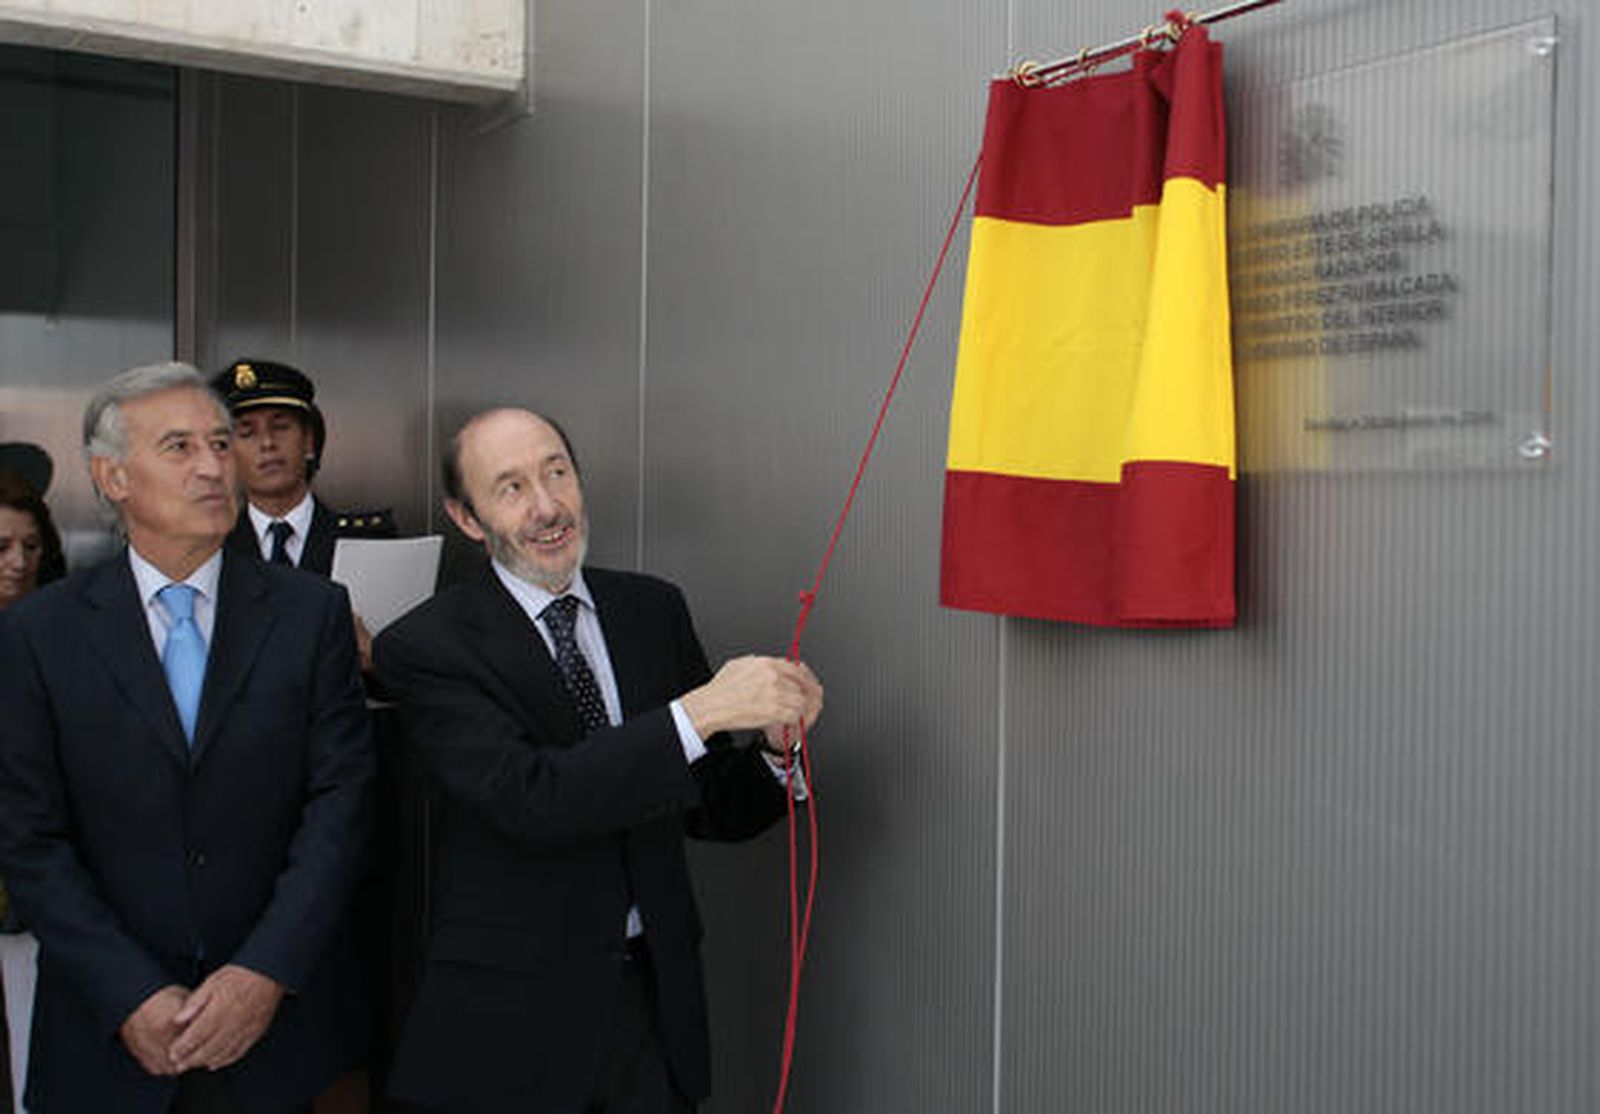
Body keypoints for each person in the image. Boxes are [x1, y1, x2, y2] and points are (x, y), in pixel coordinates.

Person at [372, 407, 824, 1113]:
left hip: (652, 1003)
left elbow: (704, 801)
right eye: (511, 487)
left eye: (557, 473)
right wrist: (699, 712)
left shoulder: (652, 610)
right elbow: (531, 798)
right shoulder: (425, 646)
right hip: (512, 1026)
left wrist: (773, 751)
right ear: (466, 518)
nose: (547, 507)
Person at [0, 362, 374, 1113]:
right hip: (106, 1041)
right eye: (179, 447)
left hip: (277, 1042)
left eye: (219, 443)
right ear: (112, 477)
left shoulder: (311, 615)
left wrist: (264, 972)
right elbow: (27, 835)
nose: (213, 466)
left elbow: (341, 802)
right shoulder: (41, 632)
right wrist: (129, 992)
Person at [0, 470, 66, 1114]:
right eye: (1, 548)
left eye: (30, 546)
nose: (18, 563)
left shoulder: (62, 637)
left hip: (36, 890)